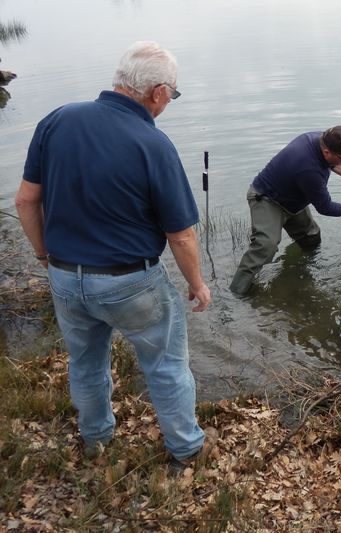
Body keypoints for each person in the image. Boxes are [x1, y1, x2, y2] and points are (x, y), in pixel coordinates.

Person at [14, 41, 215, 471]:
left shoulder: (58, 120)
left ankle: (95, 440)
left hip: (67, 278)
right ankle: (186, 450)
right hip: (131, 282)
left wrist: (44, 254)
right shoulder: (153, 143)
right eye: (172, 95)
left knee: (86, 364)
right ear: (158, 92)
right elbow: (180, 235)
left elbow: (26, 201)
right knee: (165, 367)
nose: (169, 103)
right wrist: (197, 285)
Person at [229, 126, 341, 295]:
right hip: (267, 199)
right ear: (327, 151)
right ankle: (237, 292)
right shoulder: (308, 168)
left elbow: (329, 163)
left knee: (312, 237)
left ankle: (297, 269)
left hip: (294, 199)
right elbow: (325, 207)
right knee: (266, 246)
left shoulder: (321, 140)